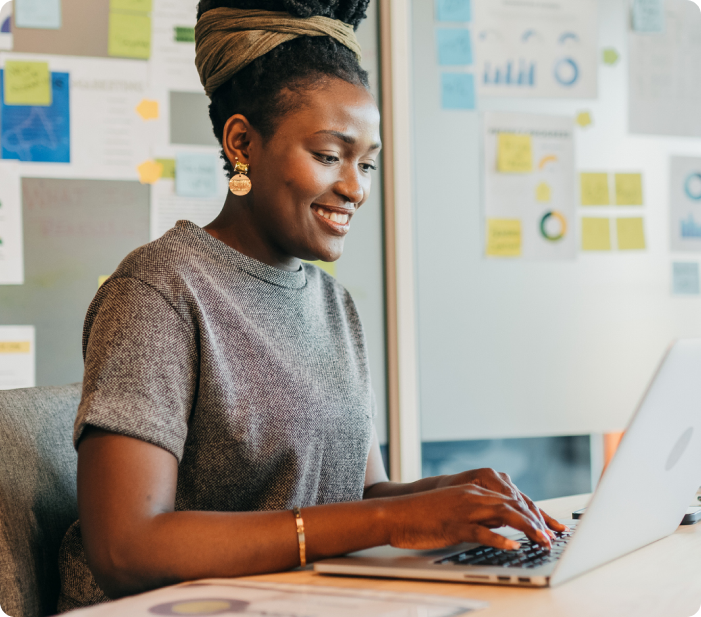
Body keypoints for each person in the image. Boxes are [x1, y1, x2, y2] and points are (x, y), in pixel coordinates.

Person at [57, 0, 565, 611]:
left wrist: (445, 499)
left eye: (367, 162)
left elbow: (359, 493)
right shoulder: (159, 290)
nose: (355, 187)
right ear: (241, 142)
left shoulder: (331, 302)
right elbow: (126, 550)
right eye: (329, 156)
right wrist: (387, 523)